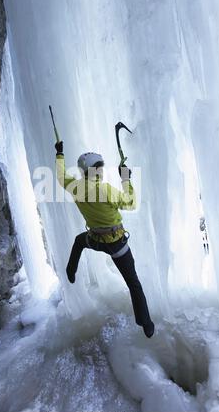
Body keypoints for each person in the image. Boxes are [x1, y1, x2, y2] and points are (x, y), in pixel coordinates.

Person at [55, 141, 155, 338]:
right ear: (92, 170)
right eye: (99, 168)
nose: (101, 171)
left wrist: (60, 154)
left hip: (95, 240)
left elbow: (60, 177)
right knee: (133, 283)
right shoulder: (106, 190)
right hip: (116, 244)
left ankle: (71, 269)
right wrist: (126, 179)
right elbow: (131, 202)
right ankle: (146, 323)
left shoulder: (75, 186)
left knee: (79, 241)